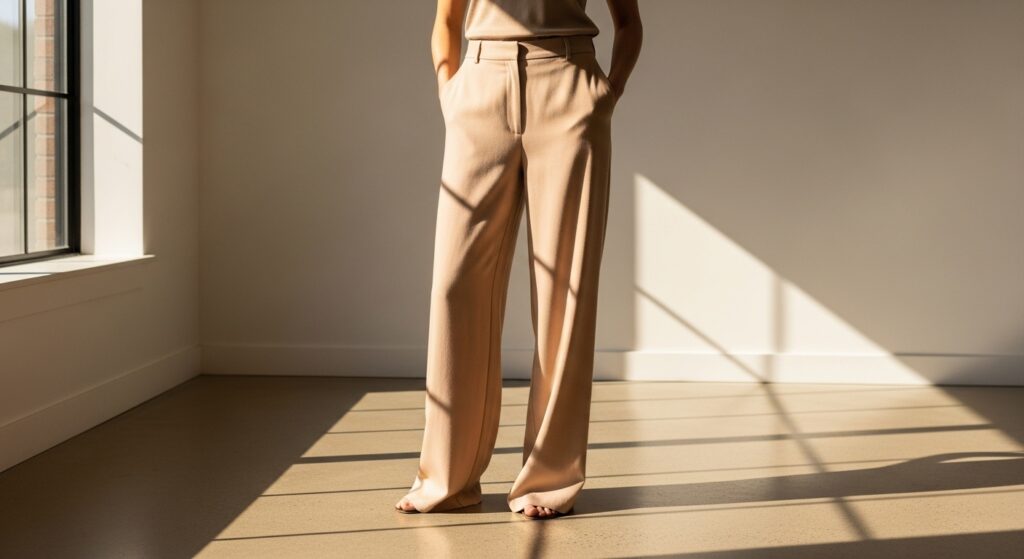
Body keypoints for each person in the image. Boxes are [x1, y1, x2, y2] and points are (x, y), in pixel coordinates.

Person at [396, 0, 643, 520]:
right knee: (454, 286)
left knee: (565, 293)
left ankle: (548, 478)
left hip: (569, 84)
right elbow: (445, 20)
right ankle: (447, 476)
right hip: (481, 85)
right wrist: (451, 92)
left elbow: (628, 22)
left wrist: (605, 92)